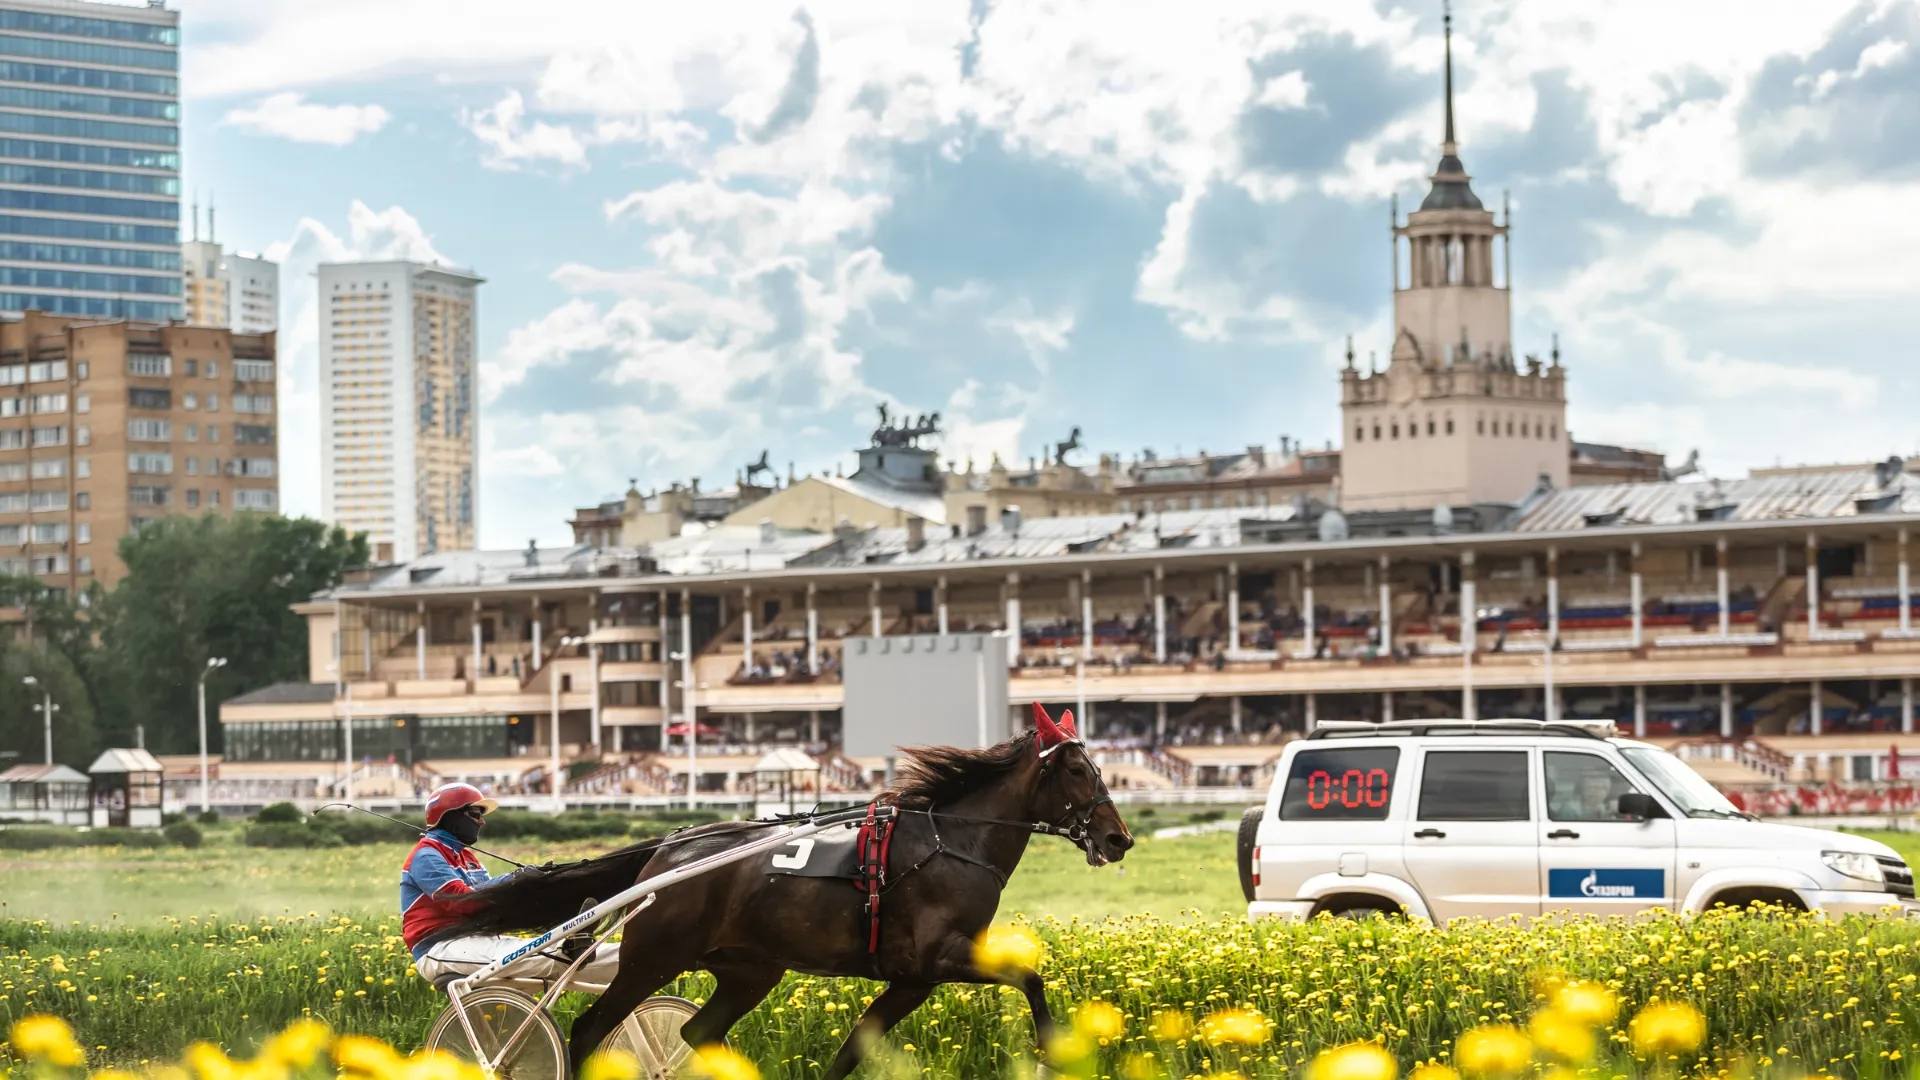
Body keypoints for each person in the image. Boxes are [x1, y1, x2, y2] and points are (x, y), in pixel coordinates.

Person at [403, 783, 609, 988]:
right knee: (554, 954)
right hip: (440, 948)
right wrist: (514, 879)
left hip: (478, 941)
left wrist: (538, 886)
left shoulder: (467, 858)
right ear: (450, 815)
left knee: (600, 955)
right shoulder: (427, 856)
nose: (482, 822)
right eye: (476, 814)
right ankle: (569, 945)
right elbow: (463, 902)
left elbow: (493, 899)